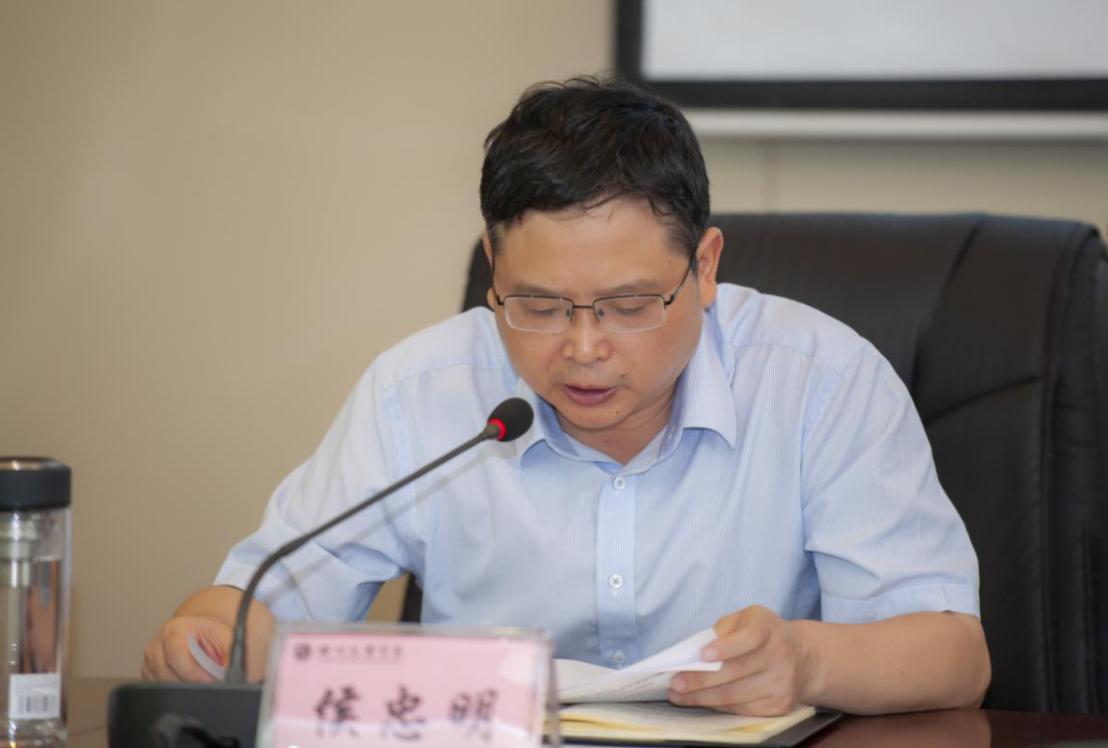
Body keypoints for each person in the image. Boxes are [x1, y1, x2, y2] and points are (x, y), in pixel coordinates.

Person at [143, 76, 990, 716]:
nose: (584, 349)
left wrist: (804, 662)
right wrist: (209, 634)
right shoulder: (421, 393)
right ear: (494, 268)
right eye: (540, 306)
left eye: (628, 305)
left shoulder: (820, 382)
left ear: (704, 267)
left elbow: (955, 656)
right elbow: (263, 606)